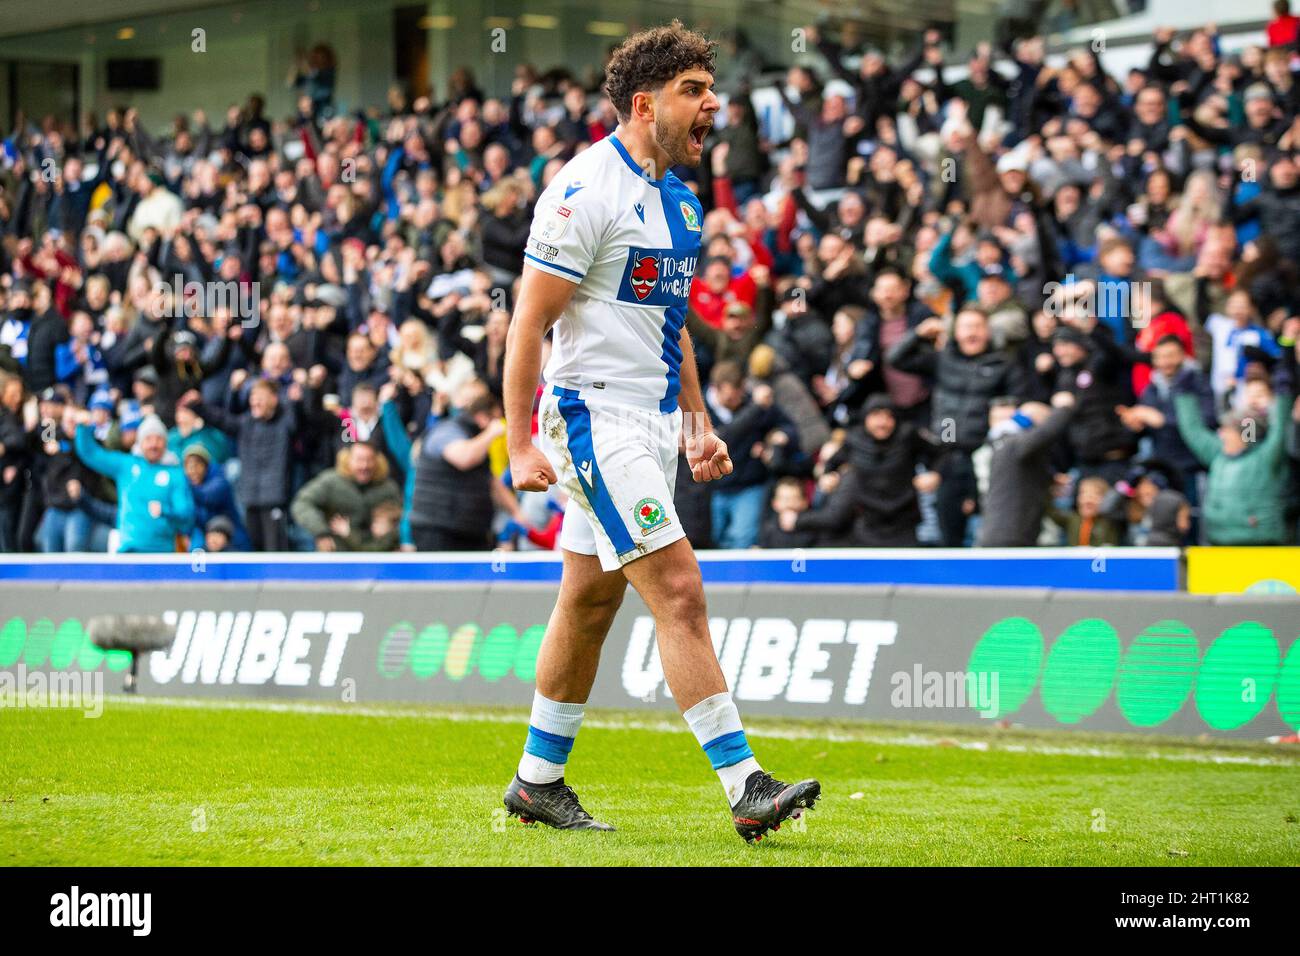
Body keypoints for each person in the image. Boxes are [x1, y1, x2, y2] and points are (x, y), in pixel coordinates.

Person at [500, 22, 818, 842]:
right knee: (679, 589)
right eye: (693, 91)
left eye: (711, 90)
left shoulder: (681, 199)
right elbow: (527, 323)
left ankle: (537, 782)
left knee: (588, 602)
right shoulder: (582, 192)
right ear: (644, 105)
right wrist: (519, 442)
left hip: (646, 423)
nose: (713, 105)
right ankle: (746, 784)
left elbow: (670, 324)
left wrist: (695, 422)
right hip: (588, 418)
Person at [73, 412, 195, 553]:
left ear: (165, 442)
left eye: (159, 439)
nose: (153, 444)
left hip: (162, 553)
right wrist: (83, 427)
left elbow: (187, 517)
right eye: (148, 439)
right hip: (129, 551)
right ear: (140, 441)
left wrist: (165, 511)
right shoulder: (126, 465)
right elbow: (91, 454)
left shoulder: (175, 474)